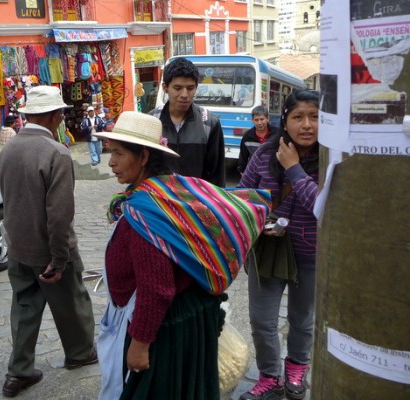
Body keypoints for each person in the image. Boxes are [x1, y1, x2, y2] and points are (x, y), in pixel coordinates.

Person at [92, 111, 271, 399]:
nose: (111, 162)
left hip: (168, 329)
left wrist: (139, 344)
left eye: (119, 153)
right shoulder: (170, 188)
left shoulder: (148, 210)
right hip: (189, 317)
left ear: (144, 157)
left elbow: (156, 288)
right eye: (110, 152)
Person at [0, 85, 97, 398]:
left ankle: (19, 372)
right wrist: (60, 257)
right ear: (56, 116)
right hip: (48, 249)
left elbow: (8, 197)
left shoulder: (8, 150)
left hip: (18, 247)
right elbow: (59, 215)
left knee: (25, 308)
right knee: (73, 301)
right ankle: (80, 352)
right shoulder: (56, 153)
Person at [238, 89, 320, 400]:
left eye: (314, 117)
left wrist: (294, 167)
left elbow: (321, 206)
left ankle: (297, 369)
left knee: (302, 319)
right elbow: (242, 198)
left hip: (310, 254)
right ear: (284, 122)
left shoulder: (330, 159)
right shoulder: (262, 155)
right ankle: (269, 376)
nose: (307, 125)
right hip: (267, 253)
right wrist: (260, 222)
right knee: (262, 321)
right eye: (298, 117)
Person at [149, 57, 225, 187]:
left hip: (197, 201)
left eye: (190, 88)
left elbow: (216, 174)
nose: (184, 94)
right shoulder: (151, 122)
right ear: (165, 87)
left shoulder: (209, 123)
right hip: (160, 200)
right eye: (177, 88)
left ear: (196, 87)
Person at [237, 106, 279, 175]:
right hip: (254, 173)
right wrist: (242, 172)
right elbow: (243, 156)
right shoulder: (247, 136)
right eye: (256, 120)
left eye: (262, 119)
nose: (259, 123)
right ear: (252, 120)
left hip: (273, 173)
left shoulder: (277, 134)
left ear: (268, 119)